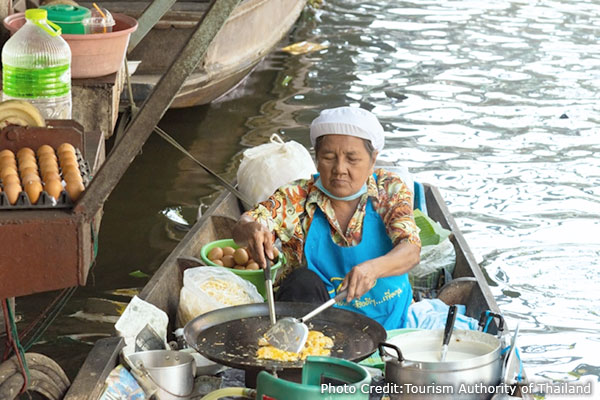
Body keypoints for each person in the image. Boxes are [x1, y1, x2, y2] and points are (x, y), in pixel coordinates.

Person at [233, 106, 421, 329]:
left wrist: (373, 269)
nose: (340, 169)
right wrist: (252, 228)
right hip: (318, 316)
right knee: (301, 281)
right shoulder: (297, 196)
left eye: (352, 159)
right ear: (317, 158)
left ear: (373, 160)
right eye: (329, 157)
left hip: (383, 318)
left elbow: (411, 249)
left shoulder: (388, 188)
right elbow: (243, 227)